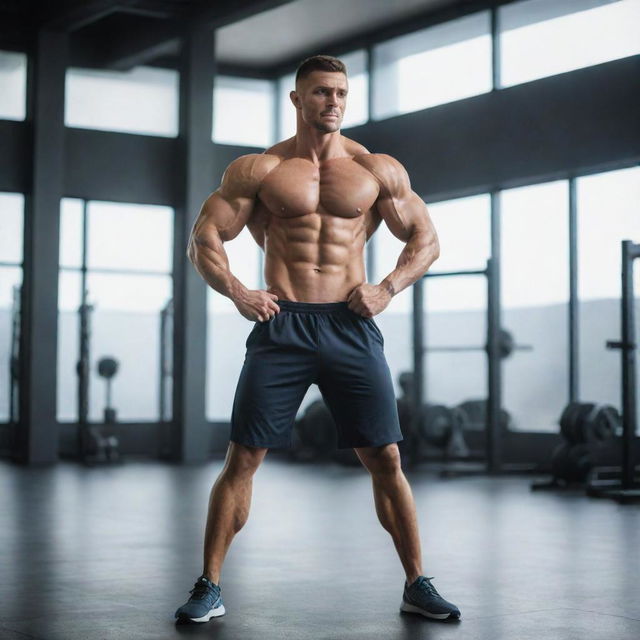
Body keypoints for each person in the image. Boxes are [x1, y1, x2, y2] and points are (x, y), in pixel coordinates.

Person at [174, 54, 461, 624]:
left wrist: (387, 287)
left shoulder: (376, 169)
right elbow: (204, 238)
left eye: (341, 93)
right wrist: (237, 291)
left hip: (350, 323)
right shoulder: (259, 170)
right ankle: (209, 585)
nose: (333, 101)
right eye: (322, 92)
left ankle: (417, 582)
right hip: (282, 324)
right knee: (244, 457)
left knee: (385, 456)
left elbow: (425, 240)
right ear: (298, 99)